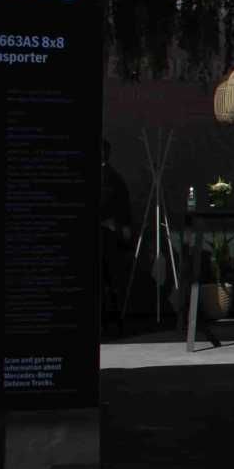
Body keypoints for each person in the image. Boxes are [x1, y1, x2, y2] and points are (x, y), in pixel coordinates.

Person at [99, 138, 133, 333]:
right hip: (110, 233)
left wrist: (122, 227)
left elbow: (121, 206)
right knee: (109, 279)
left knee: (110, 279)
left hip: (109, 234)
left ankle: (112, 320)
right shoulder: (113, 178)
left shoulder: (113, 179)